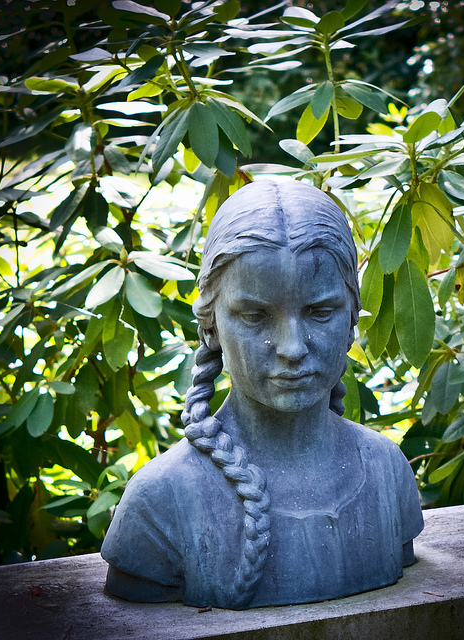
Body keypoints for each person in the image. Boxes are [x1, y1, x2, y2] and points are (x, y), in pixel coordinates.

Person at [101, 180, 424, 610]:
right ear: (210, 325)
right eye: (255, 316)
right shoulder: (161, 500)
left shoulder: (387, 471)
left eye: (319, 311)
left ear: (351, 317)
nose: (292, 347)